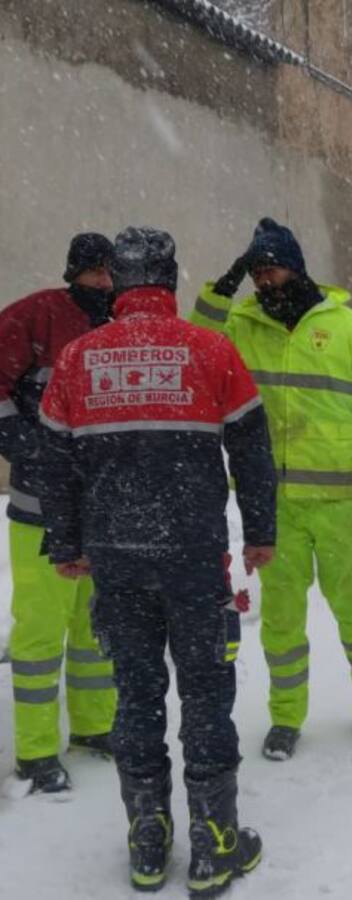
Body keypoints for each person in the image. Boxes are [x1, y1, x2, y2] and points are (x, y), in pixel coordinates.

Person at [38, 227, 277, 895]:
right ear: (169, 282)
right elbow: (251, 450)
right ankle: (215, 841)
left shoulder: (78, 358)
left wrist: (67, 542)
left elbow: (54, 463)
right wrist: (260, 530)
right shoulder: (210, 350)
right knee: (206, 694)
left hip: (117, 559)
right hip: (194, 558)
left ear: (114, 280)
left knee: (135, 697)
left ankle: (148, 838)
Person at [192, 218, 352, 761]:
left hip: (337, 504)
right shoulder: (242, 325)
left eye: (272, 269)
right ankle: (286, 718)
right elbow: (196, 344)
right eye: (257, 273)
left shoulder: (347, 326)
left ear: (296, 267)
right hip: (273, 504)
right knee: (282, 620)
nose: (265, 282)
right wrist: (222, 287)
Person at [0, 232, 117, 793]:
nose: (103, 283)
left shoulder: (120, 326)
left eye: (109, 273)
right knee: (41, 630)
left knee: (93, 628)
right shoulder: (35, 316)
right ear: (73, 272)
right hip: (40, 508)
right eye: (93, 273)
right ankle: (37, 751)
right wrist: (26, 447)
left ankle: (94, 728)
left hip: (100, 509)